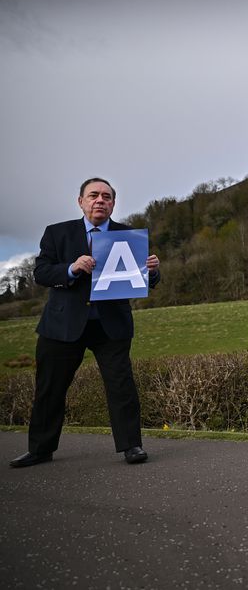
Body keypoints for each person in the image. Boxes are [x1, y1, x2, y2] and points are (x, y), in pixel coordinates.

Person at [10, 178, 161, 468]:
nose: (99, 200)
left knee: (121, 387)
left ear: (113, 204)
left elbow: (145, 281)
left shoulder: (129, 236)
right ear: (80, 201)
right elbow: (41, 273)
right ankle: (40, 449)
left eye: (106, 196)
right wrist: (71, 268)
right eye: (93, 195)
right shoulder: (57, 233)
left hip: (111, 326)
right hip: (62, 325)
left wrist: (152, 271)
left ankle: (132, 446)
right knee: (49, 389)